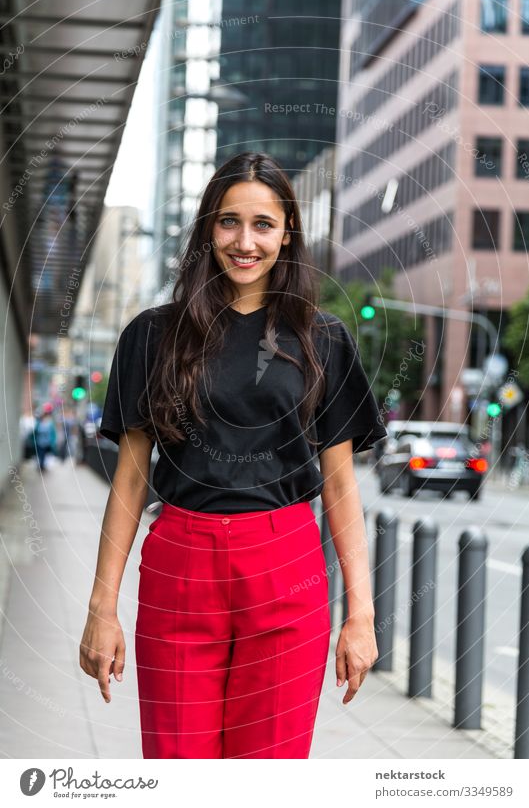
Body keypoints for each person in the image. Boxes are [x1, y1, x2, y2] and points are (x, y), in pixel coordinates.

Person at [79, 151, 388, 759]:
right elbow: (131, 479)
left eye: (263, 224)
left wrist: (361, 616)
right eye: (228, 222)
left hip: (287, 566)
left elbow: (341, 485)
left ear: (287, 234)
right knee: (179, 770)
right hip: (179, 565)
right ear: (206, 229)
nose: (245, 242)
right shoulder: (151, 334)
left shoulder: (323, 339)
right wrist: (101, 608)